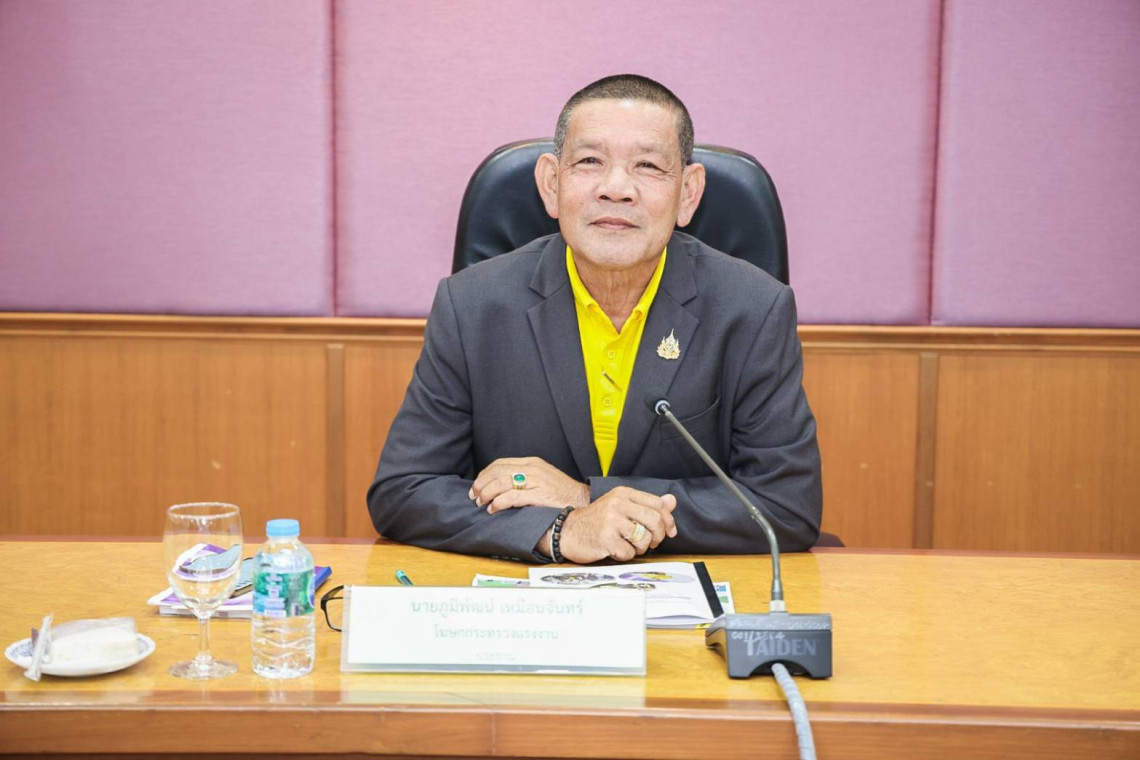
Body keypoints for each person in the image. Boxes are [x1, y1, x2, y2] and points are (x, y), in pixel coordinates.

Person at [368, 74, 822, 564]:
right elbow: (403, 489)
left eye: (648, 165)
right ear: (551, 184)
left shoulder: (753, 309)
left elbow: (786, 506)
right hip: (525, 598)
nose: (616, 188)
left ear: (688, 194)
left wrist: (585, 497)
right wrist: (556, 531)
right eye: (589, 162)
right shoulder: (472, 305)